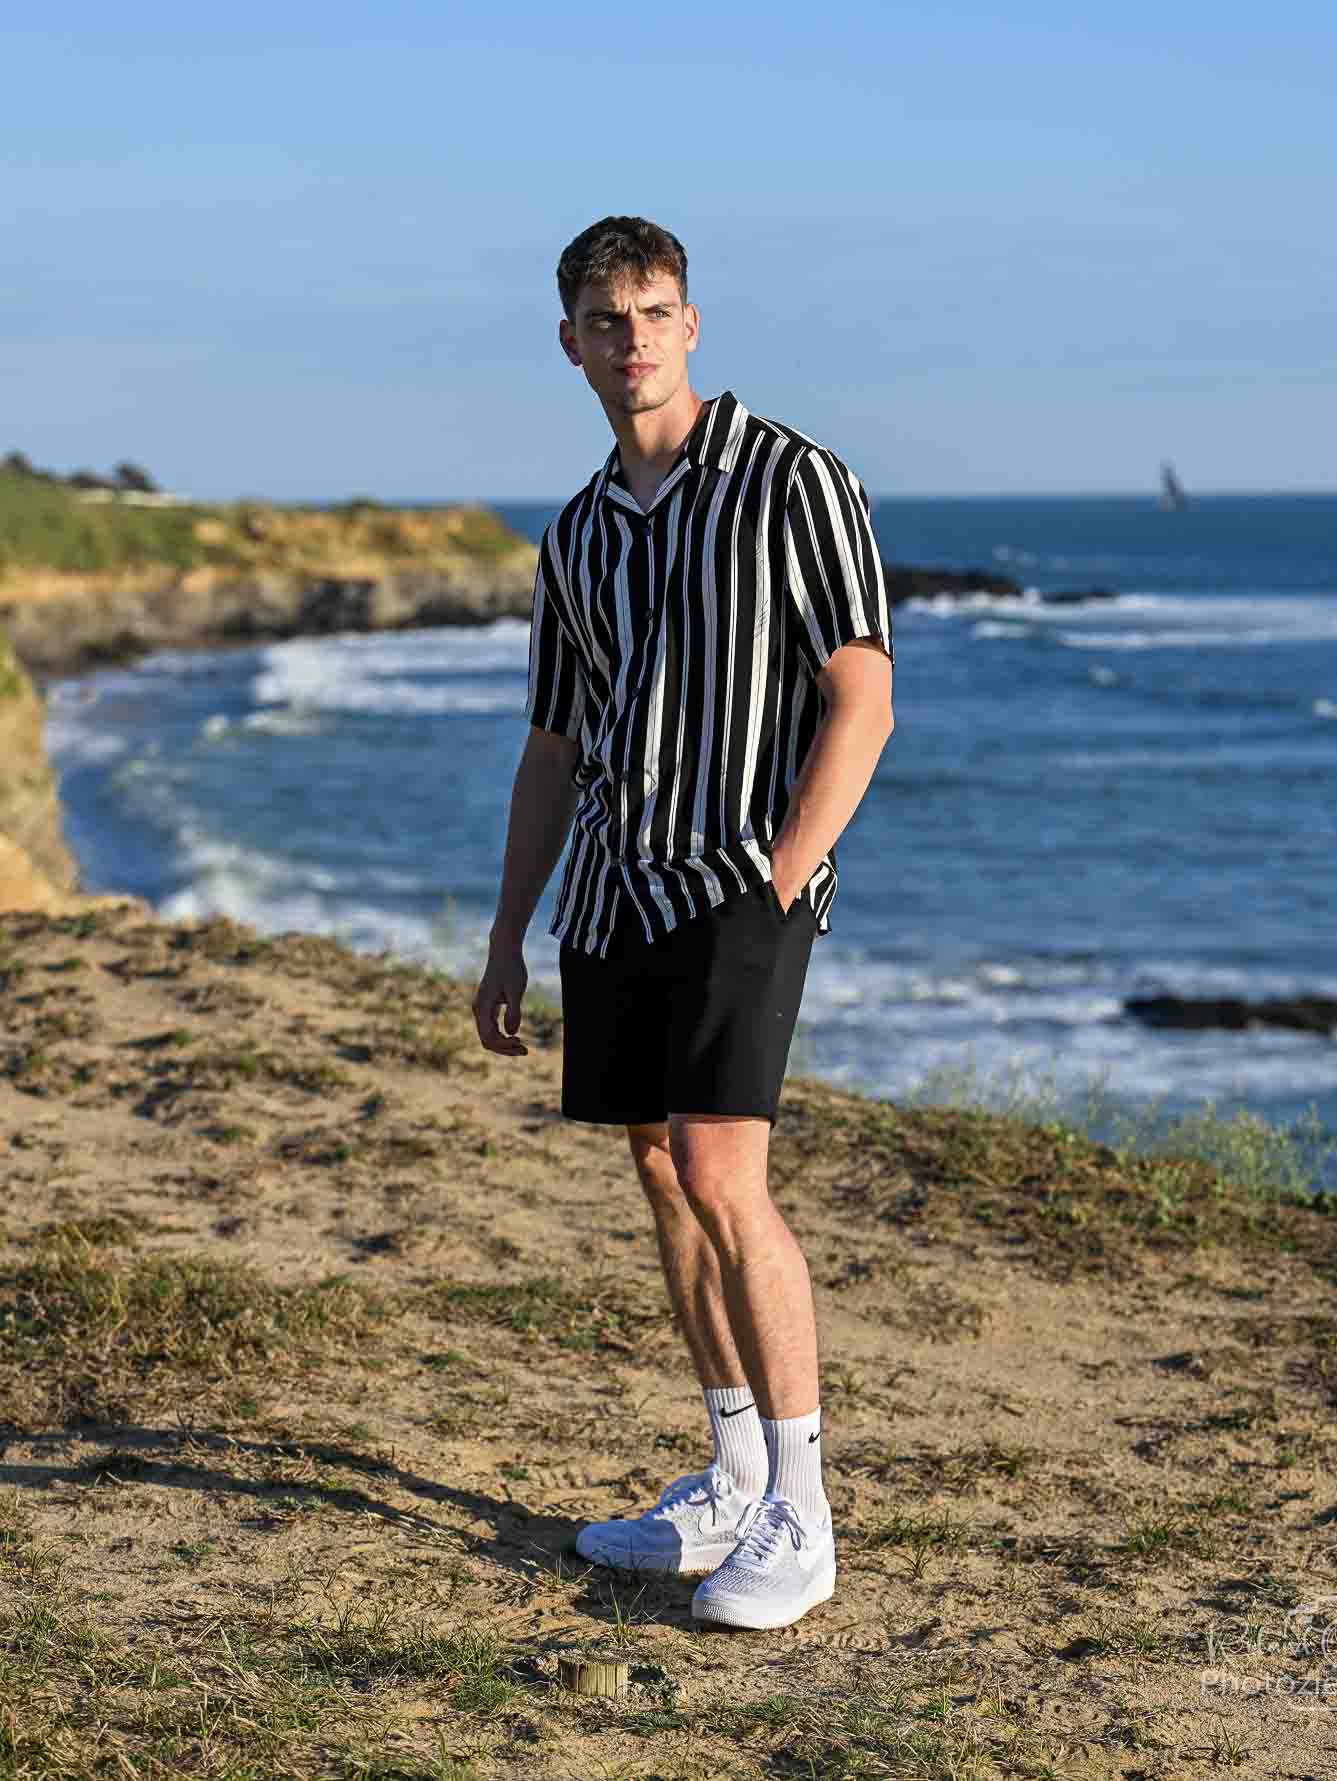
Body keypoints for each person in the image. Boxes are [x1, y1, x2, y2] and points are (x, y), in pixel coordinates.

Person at [472, 216, 895, 1631]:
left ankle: (802, 1509)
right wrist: (505, 933)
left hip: (741, 881)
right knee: (659, 1170)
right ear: (571, 342)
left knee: (724, 1173)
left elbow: (861, 693)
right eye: (607, 317)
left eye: (655, 310)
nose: (633, 336)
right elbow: (550, 751)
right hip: (611, 889)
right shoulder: (579, 532)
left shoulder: (792, 479)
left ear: (691, 323)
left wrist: (785, 871)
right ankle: (724, 1470)